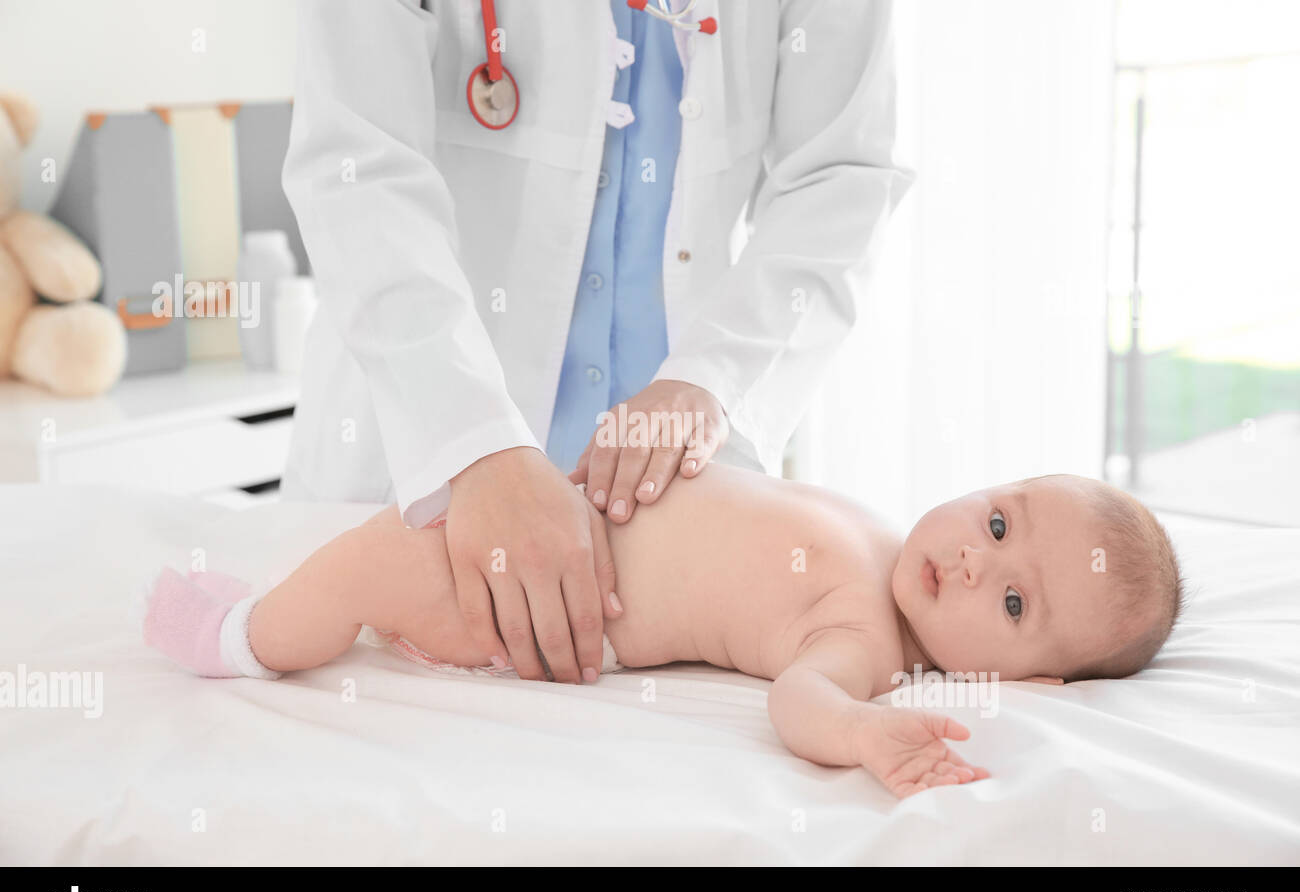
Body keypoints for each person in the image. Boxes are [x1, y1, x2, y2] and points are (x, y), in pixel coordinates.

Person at [279, 0, 912, 684]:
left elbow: (839, 177)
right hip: (422, 453)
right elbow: (357, 166)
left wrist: (713, 376)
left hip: (667, 512)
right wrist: (474, 444)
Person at [140, 466, 1186, 799]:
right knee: (399, 532)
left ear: (1033, 680)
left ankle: (243, 635)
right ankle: (264, 609)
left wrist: (865, 733)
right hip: (545, 524)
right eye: (997, 521)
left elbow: (800, 698)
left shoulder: (863, 634)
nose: (971, 558)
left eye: (1010, 602)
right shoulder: (879, 534)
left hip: (531, 602)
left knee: (385, 556)